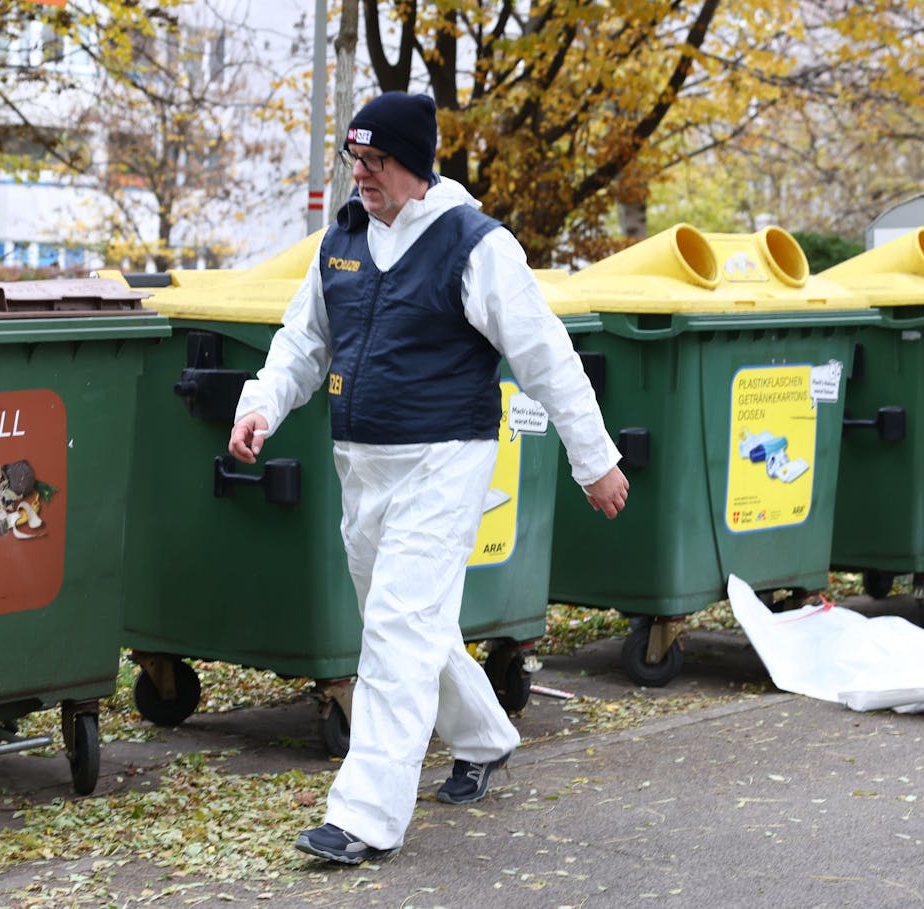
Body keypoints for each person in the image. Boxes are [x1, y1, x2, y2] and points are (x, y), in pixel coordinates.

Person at [227, 91, 629, 865]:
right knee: (404, 621)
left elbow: (546, 356)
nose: (362, 176)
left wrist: (595, 459)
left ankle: (365, 817)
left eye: (376, 162)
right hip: (363, 461)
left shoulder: (476, 245)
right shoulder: (340, 239)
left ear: (415, 165)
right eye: (356, 160)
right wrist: (260, 408)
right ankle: (483, 736)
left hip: (445, 459)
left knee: (395, 632)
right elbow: (304, 341)